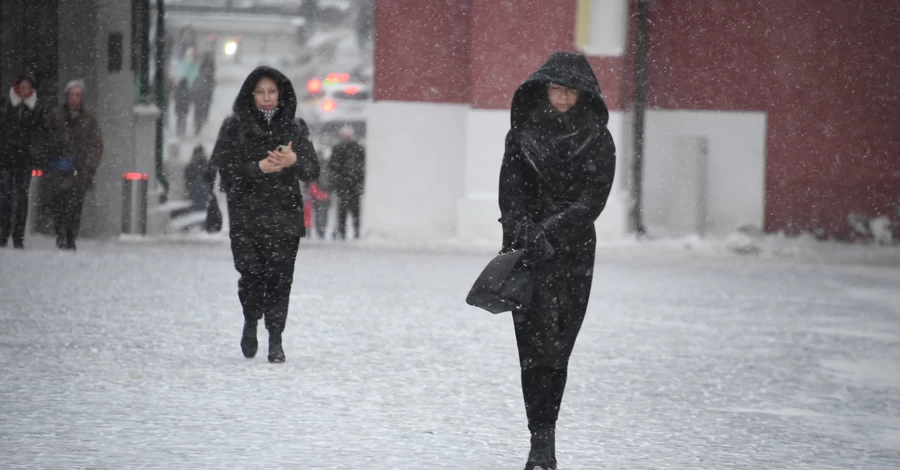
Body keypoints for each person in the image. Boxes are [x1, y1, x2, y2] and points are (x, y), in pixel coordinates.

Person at [497, 52, 616, 470]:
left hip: (574, 253)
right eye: (556, 87)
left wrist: (553, 229)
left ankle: (545, 433)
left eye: (570, 89)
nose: (563, 96)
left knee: (559, 347)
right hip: (529, 253)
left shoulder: (598, 138)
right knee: (534, 349)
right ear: (543, 88)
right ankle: (540, 441)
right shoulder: (521, 135)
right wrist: (525, 232)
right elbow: (509, 194)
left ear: (583, 93)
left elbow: (593, 200)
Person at [211, 66, 319, 363]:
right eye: (261, 92)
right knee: (251, 276)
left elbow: (313, 169)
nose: (267, 98)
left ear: (281, 94)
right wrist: (257, 168)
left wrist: (293, 160)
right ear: (251, 94)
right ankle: (250, 321)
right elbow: (226, 170)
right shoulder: (234, 127)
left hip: (284, 216)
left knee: (280, 280)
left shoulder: (295, 127)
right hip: (247, 217)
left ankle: (275, 337)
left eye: (272, 91)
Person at [45, 79, 103, 250]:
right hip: (58, 169)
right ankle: (61, 233)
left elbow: (96, 144)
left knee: (75, 205)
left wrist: (89, 166)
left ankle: (71, 235)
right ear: (67, 96)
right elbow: (46, 139)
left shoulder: (89, 119)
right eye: (72, 95)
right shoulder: (56, 116)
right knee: (59, 204)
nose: (75, 98)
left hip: (80, 171)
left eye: (78, 95)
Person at [0, 73, 45, 249]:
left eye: (28, 88)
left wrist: (33, 153)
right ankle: (3, 233)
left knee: (22, 197)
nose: (25, 92)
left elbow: (39, 134)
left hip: (25, 160)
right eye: (22, 88)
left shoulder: (36, 109)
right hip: (5, 158)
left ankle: (18, 236)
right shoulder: (6, 106)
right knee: (5, 197)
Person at [328, 126, 365, 239]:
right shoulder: (340, 148)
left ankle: (354, 231)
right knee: (344, 210)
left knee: (353, 210)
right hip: (344, 184)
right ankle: (343, 231)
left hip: (352, 184)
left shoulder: (357, 148)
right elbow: (332, 166)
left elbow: (362, 166)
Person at [192, 51, 216, 136]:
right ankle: (199, 124)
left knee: (199, 113)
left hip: (201, 99)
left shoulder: (201, 80)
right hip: (202, 99)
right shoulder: (205, 80)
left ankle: (198, 125)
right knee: (201, 112)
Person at [184, 144, 212, 212]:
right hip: (203, 189)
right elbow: (211, 177)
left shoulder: (191, 164)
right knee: (203, 209)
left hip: (195, 189)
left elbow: (188, 177)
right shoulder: (206, 163)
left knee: (197, 208)